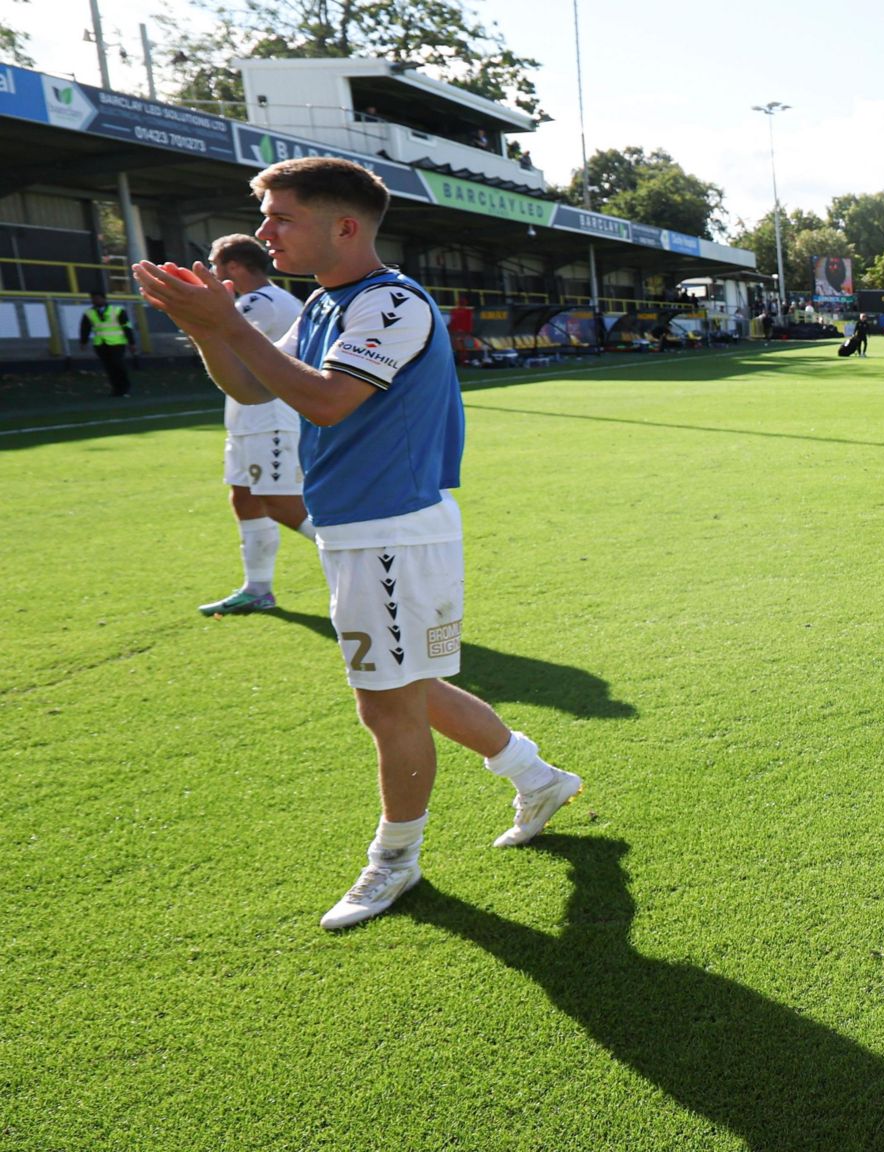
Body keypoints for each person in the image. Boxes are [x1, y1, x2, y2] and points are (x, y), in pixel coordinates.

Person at [132, 157, 584, 932]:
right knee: (406, 687)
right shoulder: (322, 304)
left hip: (393, 530)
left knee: (384, 703)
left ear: (344, 225)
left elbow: (332, 402)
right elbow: (251, 387)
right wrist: (206, 329)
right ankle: (537, 776)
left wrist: (230, 321)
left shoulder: (391, 304)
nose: (264, 233)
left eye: (282, 218)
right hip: (360, 527)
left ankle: (395, 862)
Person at [196, 234, 311, 617]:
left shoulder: (260, 303)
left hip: (271, 417)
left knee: (278, 503)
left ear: (232, 267)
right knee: (243, 497)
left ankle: (351, 556)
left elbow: (227, 345)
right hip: (245, 418)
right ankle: (257, 589)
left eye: (215, 265)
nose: (213, 273)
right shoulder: (261, 302)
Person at [78, 290, 136, 397]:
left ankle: (125, 388)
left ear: (104, 299)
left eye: (98, 298)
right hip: (101, 343)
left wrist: (131, 342)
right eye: (94, 298)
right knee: (109, 367)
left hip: (117, 342)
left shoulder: (117, 310)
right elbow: (85, 328)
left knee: (118, 365)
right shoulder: (89, 313)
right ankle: (116, 389)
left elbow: (127, 327)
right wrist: (83, 342)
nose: (96, 300)